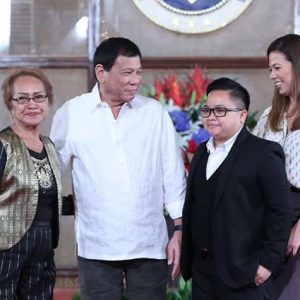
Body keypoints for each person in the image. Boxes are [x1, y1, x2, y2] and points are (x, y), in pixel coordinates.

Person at [50, 37, 186, 300]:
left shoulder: (154, 113)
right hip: (96, 246)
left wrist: (179, 230)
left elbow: (173, 177)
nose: (135, 80)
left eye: (138, 72)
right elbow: (51, 173)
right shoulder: (72, 113)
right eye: (127, 73)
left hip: (149, 243)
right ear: (101, 72)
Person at [180, 77, 293, 300]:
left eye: (220, 110)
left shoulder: (264, 153)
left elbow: (281, 211)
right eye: (207, 110)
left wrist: (267, 265)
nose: (211, 117)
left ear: (242, 115)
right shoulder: (201, 152)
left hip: (244, 274)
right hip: (202, 273)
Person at [0, 68, 62, 299]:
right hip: (6, 245)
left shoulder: (49, 146)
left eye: (39, 97)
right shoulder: (3, 144)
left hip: (44, 242)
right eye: (22, 98)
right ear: (10, 104)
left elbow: (45, 196)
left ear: (47, 102)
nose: (32, 104)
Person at [252, 33, 300, 299]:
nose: (272, 75)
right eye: (270, 69)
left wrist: (298, 230)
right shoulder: (272, 114)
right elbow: (248, 159)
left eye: (277, 67)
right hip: (269, 217)